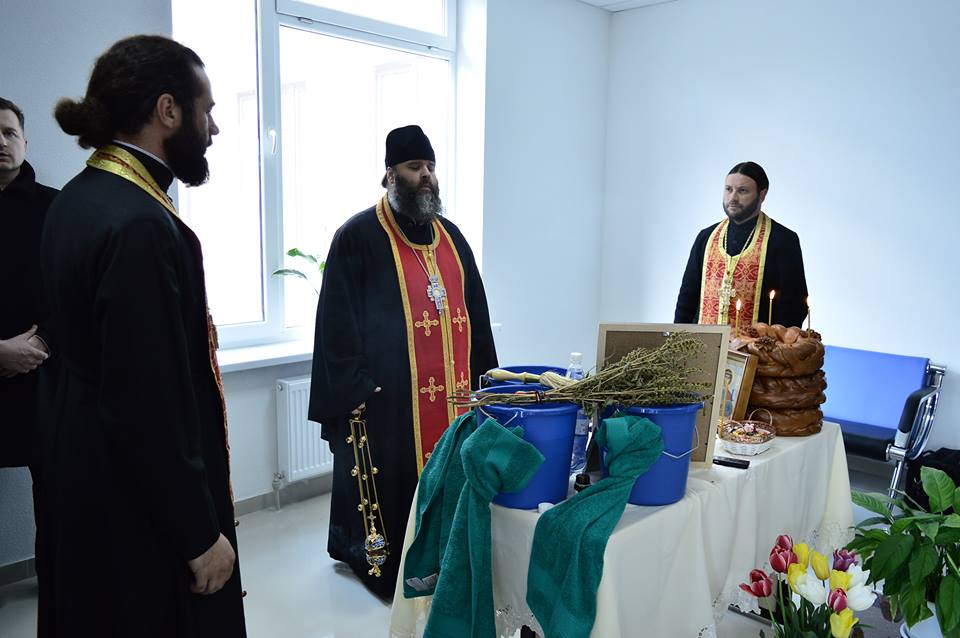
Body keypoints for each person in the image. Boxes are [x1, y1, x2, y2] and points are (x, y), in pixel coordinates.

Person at [38, 35, 246, 637]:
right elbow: (146, 403)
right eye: (207, 110)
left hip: (83, 468)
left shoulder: (77, 197)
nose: (214, 128)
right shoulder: (139, 225)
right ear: (168, 110)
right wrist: (198, 533)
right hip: (134, 503)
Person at [308, 124, 498, 599]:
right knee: (389, 497)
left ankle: (449, 558)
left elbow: (477, 315)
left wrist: (487, 381)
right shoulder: (357, 237)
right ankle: (384, 565)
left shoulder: (452, 239)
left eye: (431, 166)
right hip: (389, 404)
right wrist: (359, 385)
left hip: (454, 400)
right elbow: (334, 321)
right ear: (390, 174)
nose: (426, 176)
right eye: (415, 167)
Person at [674, 161, 809, 329]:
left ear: (762, 194)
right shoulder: (706, 237)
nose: (733, 198)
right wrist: (678, 338)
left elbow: (793, 307)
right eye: (728, 189)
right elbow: (687, 298)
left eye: (742, 191)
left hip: (758, 344)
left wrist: (775, 343)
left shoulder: (783, 240)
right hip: (703, 343)